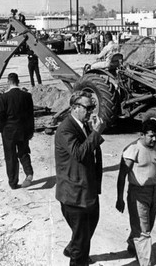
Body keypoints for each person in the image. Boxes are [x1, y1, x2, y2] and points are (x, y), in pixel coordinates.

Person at [55, 90, 105, 266]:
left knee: (89, 226)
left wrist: (93, 131)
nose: (91, 111)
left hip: (87, 190)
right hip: (74, 196)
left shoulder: (82, 125)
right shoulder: (65, 129)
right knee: (82, 243)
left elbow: (92, 151)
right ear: (75, 108)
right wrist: (96, 132)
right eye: (88, 107)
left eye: (93, 107)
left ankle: (74, 247)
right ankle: (77, 255)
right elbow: (79, 154)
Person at [116, 119, 156, 266]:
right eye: (151, 136)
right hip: (138, 193)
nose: (154, 139)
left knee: (148, 225)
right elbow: (122, 175)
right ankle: (147, 263)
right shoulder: (132, 149)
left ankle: (132, 244)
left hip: (154, 190)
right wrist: (120, 198)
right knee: (143, 232)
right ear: (142, 134)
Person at [0, 73, 35, 190]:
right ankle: (29, 172)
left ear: (8, 82)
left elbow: (0, 116)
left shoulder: (4, 97)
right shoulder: (27, 96)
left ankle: (13, 182)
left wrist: (1, 128)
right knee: (23, 152)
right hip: (23, 130)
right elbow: (30, 116)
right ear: (18, 81)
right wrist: (30, 131)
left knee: (10, 156)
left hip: (8, 131)